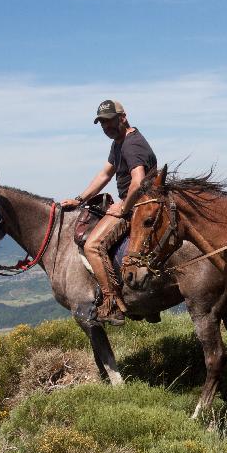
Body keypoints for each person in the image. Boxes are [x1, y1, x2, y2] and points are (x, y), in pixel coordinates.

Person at [60, 100, 157, 325]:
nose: (106, 127)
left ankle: (111, 304)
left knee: (92, 246)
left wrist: (124, 206)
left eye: (109, 121)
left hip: (138, 204)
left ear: (122, 118)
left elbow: (138, 181)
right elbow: (105, 174)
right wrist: (79, 199)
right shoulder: (119, 143)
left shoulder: (131, 144)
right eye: (102, 123)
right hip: (135, 201)